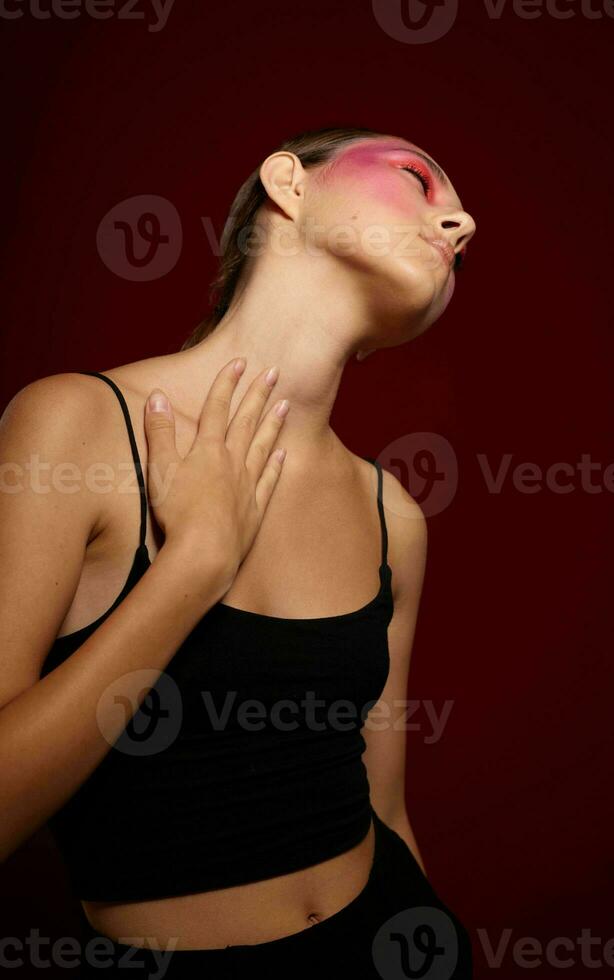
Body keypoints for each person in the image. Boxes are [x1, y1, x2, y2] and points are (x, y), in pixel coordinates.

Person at [0, 125, 476, 978]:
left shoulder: (393, 515)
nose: (462, 223)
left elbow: (388, 809)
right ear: (287, 186)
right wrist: (195, 565)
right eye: (418, 181)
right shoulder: (71, 426)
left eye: (461, 225)